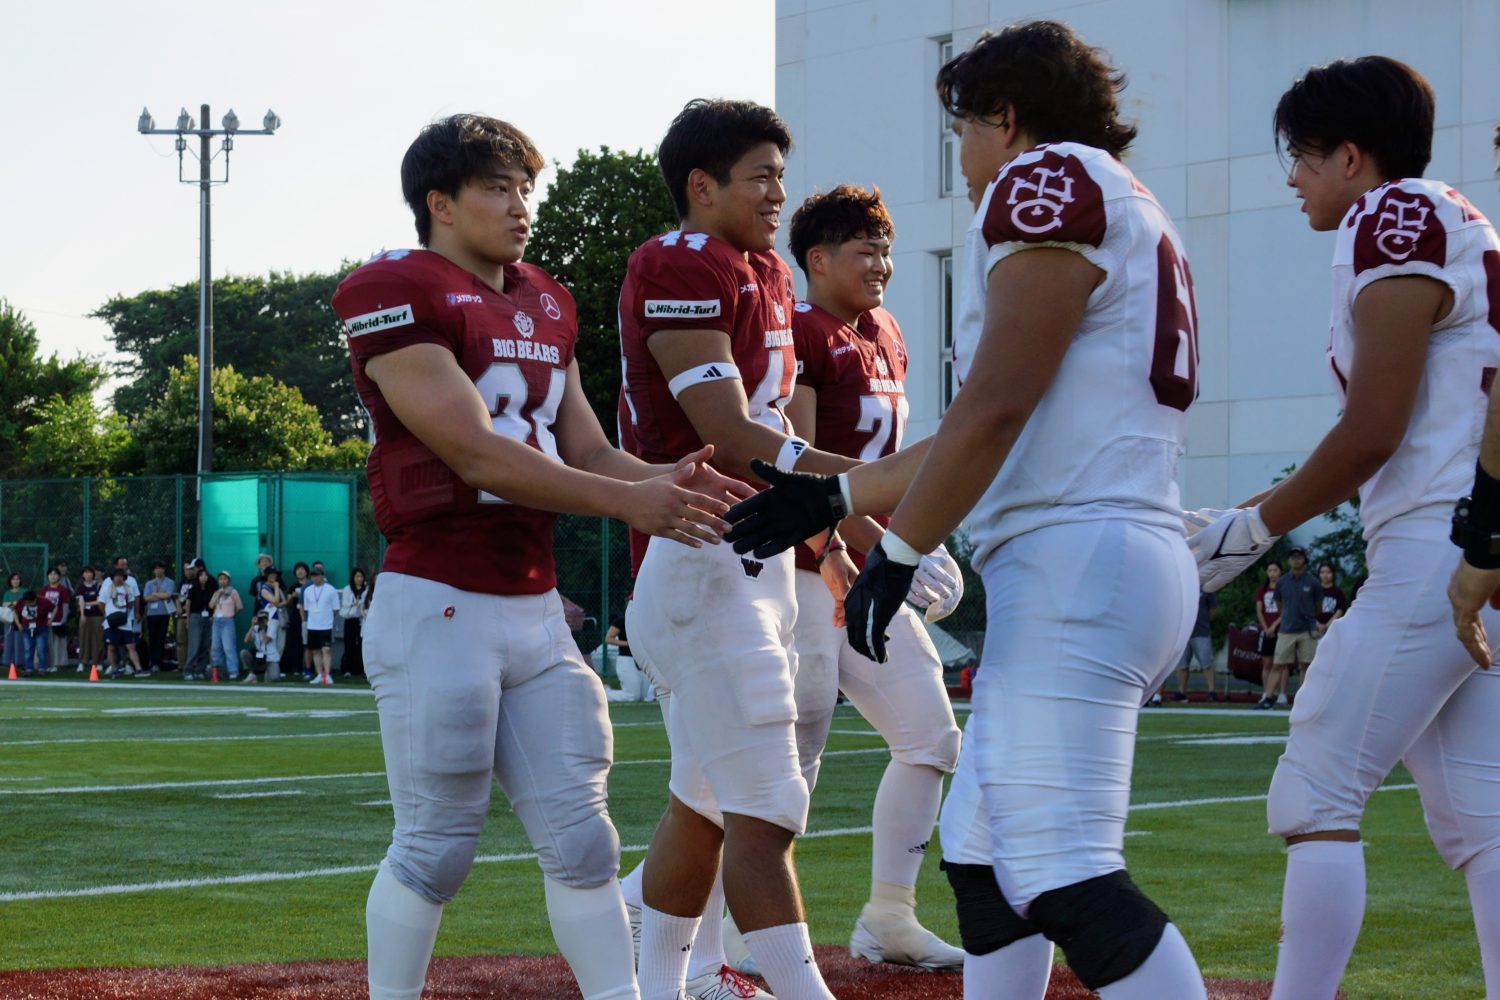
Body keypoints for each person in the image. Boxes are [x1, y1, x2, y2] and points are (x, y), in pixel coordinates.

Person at [726, 23, 1210, 998]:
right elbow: (986, 423)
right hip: (1094, 552)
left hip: (1078, 558)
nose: (963, 156)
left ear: (1008, 117)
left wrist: (899, 550)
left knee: (1062, 869)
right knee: (983, 855)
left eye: (964, 130)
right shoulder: (1120, 195)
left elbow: (995, 408)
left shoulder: (1048, 181)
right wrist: (838, 495)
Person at [333, 112, 745, 1000]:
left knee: (584, 840)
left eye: (526, 187)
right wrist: (629, 501)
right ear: (440, 204)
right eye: (498, 188)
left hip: (534, 605)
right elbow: (475, 452)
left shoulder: (546, 301)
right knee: (436, 848)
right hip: (437, 597)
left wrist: (677, 483)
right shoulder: (398, 289)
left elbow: (588, 450)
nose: (522, 206)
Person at [1185, 58, 1500, 999]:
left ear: (1352, 157)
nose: (1294, 178)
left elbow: (1373, 430)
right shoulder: (1453, 218)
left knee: (1316, 788)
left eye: (1303, 156)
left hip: (1438, 545)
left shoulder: (1394, 215)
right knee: (1482, 817)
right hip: (1468, 541)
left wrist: (1251, 528)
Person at [619, 97, 924, 1000]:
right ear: (701, 185)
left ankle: (664, 985)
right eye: (760, 177)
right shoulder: (679, 261)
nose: (777, 194)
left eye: (780, 176)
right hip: (700, 554)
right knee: (767, 802)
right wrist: (879, 486)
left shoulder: (759, 272)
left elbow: (781, 430)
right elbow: (731, 432)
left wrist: (846, 532)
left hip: (756, 560)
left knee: (707, 803)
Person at [780, 183, 965, 970]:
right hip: (802, 570)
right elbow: (801, 474)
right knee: (783, 764)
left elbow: (885, 464)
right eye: (867, 250)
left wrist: (914, 535)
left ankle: (890, 915)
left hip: (871, 567)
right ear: (818, 260)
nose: (883, 265)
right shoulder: (799, 331)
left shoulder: (886, 332)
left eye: (887, 250)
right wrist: (890, 546)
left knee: (930, 737)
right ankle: (691, 914)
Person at [1272, 546, 1319, 692]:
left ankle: (1303, 698)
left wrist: (1311, 619)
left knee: (1307, 665)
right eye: (1293, 557)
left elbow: (1318, 606)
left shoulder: (1313, 582)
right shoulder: (1281, 582)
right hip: (1287, 629)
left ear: (1304, 559)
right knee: (1278, 664)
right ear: (1288, 560)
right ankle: (1268, 696)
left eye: (1299, 557)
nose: (1296, 560)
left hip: (1307, 630)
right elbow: (1279, 605)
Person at [1172, 590, 1217, 702]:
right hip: (1183, 632)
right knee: (1182, 665)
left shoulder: (1207, 588)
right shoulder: (1183, 587)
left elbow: (1212, 611)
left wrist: (1203, 621)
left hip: (1201, 632)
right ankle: (1181, 692)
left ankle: (1212, 692)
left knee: (1207, 663)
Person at [99, 564, 142, 677]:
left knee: (131, 646)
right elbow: (101, 603)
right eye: (117, 576)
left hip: (125, 621)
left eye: (121, 576)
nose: (119, 578)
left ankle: (138, 668)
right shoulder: (106, 588)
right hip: (111, 622)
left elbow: (131, 604)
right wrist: (109, 614)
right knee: (111, 646)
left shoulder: (127, 589)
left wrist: (123, 612)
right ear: (113, 578)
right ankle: (114, 669)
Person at [302, 564, 340, 686]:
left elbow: (336, 608)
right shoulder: (307, 591)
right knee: (315, 651)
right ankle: (319, 674)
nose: (315, 578)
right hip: (312, 625)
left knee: (326, 649)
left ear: (322, 576)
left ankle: (327, 674)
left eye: (317, 575)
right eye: (313, 575)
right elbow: (307, 608)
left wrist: (328, 618)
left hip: (326, 626)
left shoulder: (331, 589)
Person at [1254, 561, 1284, 709]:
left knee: (1281, 662)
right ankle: (1266, 693)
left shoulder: (1284, 588)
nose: (1272, 573)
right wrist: (1266, 628)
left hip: (1281, 629)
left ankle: (1281, 692)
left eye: (1275, 570)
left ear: (1280, 572)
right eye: (1270, 570)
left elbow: (1285, 610)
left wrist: (1274, 626)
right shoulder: (1262, 590)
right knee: (1266, 662)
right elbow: (1259, 610)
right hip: (1266, 630)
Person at [181, 563, 216, 680]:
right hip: (195, 617)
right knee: (194, 645)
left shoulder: (210, 590)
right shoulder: (193, 589)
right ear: (198, 577)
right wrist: (188, 620)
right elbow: (188, 605)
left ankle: (200, 670)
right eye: (202, 575)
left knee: (205, 645)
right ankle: (188, 671)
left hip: (207, 618)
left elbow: (212, 605)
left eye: (206, 575)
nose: (204, 577)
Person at [142, 560, 177, 672]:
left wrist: (155, 594)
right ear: (153, 571)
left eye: (160, 568)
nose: (158, 570)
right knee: (152, 638)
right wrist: (160, 595)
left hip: (164, 613)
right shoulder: (149, 583)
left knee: (161, 638)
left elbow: (168, 595)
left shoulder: (169, 582)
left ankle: (159, 661)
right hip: (151, 614)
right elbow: (146, 598)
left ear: (164, 569)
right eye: (156, 568)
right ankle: (153, 662)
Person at [209, 571, 243, 680]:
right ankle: (219, 671)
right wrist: (218, 594)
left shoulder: (233, 592)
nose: (222, 581)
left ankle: (233, 671)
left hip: (227, 621)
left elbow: (239, 607)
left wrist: (231, 615)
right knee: (215, 647)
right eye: (220, 579)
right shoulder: (216, 592)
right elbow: (211, 605)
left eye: (225, 579)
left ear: (228, 580)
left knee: (229, 647)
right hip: (216, 621)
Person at [13, 590, 53, 676]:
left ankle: (42, 668)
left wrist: (50, 620)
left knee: (41, 649)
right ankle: (28, 669)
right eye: (27, 602)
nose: (29, 604)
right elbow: (15, 611)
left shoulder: (43, 601)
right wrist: (18, 624)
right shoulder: (21, 601)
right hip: (27, 628)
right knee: (28, 650)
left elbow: (55, 607)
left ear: (36, 599)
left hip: (41, 628)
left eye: (31, 602)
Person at [339, 567, 370, 677]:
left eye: (361, 576)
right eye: (357, 576)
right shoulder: (347, 589)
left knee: (362, 644)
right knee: (349, 643)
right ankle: (348, 668)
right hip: (350, 619)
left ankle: (362, 669)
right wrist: (356, 602)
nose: (359, 578)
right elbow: (345, 603)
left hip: (362, 620)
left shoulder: (366, 589)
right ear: (353, 578)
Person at [76, 566, 105, 675]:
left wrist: (87, 603)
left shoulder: (98, 586)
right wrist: (82, 615)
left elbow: (99, 601)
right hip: (85, 616)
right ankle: (82, 662)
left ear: (93, 574)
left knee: (98, 638)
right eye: (85, 572)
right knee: (84, 638)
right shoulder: (80, 588)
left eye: (90, 572)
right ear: (83, 575)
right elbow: (81, 600)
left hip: (97, 616)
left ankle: (98, 662)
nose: (87, 574)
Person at [1316, 562, 1348, 637]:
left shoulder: (1338, 592)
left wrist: (1327, 625)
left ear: (1333, 574)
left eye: (1328, 572)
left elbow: (1339, 611)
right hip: (1315, 629)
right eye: (1322, 572)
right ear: (1319, 574)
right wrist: (1318, 625)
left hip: (1333, 629)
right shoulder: (1314, 591)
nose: (1325, 575)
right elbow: (1308, 611)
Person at [240, 612, 271, 684]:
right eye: (260, 619)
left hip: (268, 658)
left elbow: (265, 641)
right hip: (257, 657)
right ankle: (251, 674)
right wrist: (252, 625)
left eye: (263, 619)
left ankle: (268, 672)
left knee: (269, 679)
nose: (261, 621)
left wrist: (263, 629)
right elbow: (246, 640)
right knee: (243, 653)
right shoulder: (256, 628)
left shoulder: (271, 628)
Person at [2, 572, 24, 669]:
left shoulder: (24, 591)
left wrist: (11, 604)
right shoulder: (7, 593)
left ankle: (20, 662)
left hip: (21, 619)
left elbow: (23, 603)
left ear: (20, 581)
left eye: (17, 579)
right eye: (13, 579)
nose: (15, 581)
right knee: (8, 640)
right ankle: (7, 662)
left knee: (19, 641)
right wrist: (14, 603)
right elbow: (4, 605)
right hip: (9, 619)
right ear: (10, 581)